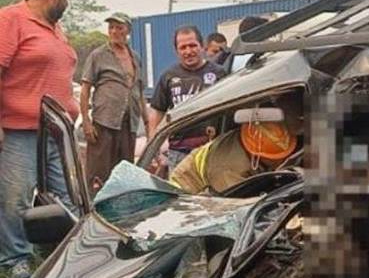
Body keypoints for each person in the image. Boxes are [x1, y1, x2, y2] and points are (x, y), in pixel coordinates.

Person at [0, 0, 77, 278]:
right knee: (15, 197)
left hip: (56, 132)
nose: (67, 5)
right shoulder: (11, 19)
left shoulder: (56, 29)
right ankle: (14, 259)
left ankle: (69, 251)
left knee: (66, 196)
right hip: (21, 129)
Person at [168, 96, 301, 194]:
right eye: (275, 159)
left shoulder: (254, 132)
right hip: (187, 187)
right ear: (256, 155)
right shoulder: (228, 168)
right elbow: (237, 204)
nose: (281, 161)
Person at [80, 12, 147, 192]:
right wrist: (86, 122)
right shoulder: (98, 55)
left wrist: (148, 126)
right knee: (98, 174)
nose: (114, 31)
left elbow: (139, 92)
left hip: (129, 123)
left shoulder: (135, 57)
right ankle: (93, 209)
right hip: (104, 122)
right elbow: (85, 89)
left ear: (128, 31)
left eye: (119, 27)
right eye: (111, 27)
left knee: (124, 173)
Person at [148, 25, 226, 169]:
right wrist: (152, 146)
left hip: (213, 151)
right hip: (179, 154)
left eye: (192, 45)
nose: (188, 51)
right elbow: (156, 112)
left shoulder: (220, 74)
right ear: (176, 51)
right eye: (183, 47)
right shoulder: (169, 77)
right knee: (179, 192)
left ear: (202, 46)